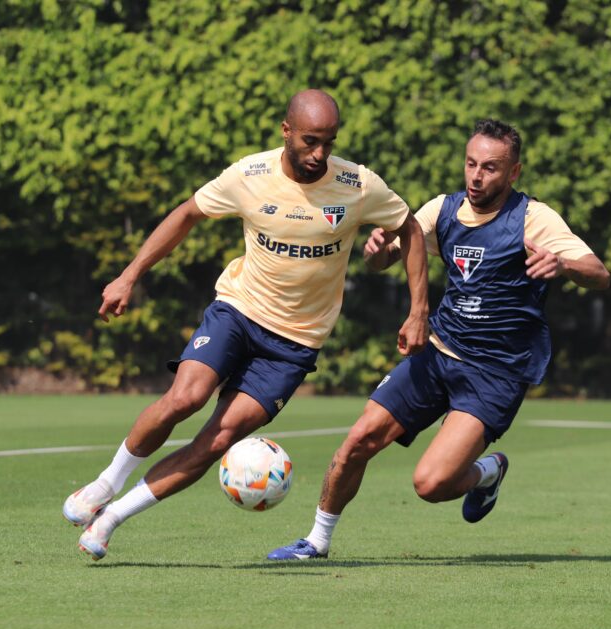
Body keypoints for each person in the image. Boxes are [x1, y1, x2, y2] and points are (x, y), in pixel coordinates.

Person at [63, 89, 429, 560]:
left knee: (216, 438)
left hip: (294, 345)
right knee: (185, 397)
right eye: (310, 141)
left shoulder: (357, 185)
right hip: (239, 310)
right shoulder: (249, 175)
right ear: (286, 132)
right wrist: (129, 275)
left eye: (330, 143)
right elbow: (188, 213)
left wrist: (418, 310)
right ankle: (105, 484)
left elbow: (411, 229)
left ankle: (112, 520)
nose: (320, 154)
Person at [268, 118, 610, 560]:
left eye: (490, 167)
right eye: (471, 164)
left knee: (431, 485)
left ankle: (489, 471)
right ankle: (315, 542)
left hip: (495, 373)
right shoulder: (443, 210)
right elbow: (391, 256)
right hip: (439, 352)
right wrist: (379, 253)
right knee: (358, 441)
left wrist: (564, 266)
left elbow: (599, 274)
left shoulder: (533, 218)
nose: (476, 175)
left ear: (514, 172)